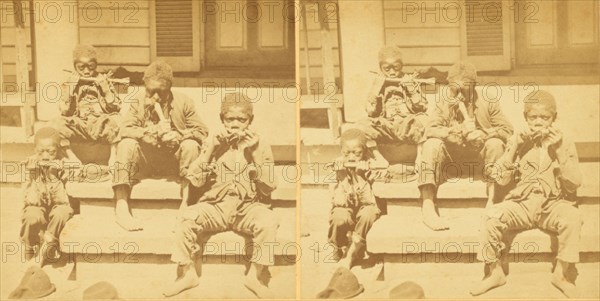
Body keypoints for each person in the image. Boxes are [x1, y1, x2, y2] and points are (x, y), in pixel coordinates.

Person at [164, 93, 279, 298]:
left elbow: (269, 187)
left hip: (246, 207)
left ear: (250, 121)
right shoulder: (213, 142)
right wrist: (211, 150)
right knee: (185, 218)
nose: (235, 125)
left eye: (241, 120)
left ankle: (255, 275)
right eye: (230, 119)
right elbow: (195, 179)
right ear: (222, 119)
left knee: (269, 221)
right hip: (216, 206)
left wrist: (253, 154)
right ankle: (187, 274)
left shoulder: (260, 145)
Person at [471, 90, 582, 298]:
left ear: (554, 118)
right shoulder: (518, 139)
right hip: (522, 204)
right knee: (490, 216)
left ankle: (561, 274)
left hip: (551, 204)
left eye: (545, 118)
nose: (538, 122)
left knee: (573, 217)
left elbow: (574, 183)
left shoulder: (564, 141)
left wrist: (558, 151)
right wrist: (514, 148)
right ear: (525, 117)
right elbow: (500, 178)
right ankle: (494, 273)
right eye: (533, 117)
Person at [111, 61, 208, 231]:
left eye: (161, 92)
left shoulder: (184, 102)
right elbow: (124, 129)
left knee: (191, 145)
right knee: (126, 144)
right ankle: (121, 206)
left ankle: (187, 203)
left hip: (174, 164)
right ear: (144, 85)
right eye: (151, 91)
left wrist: (180, 135)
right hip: (146, 162)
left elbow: (202, 131)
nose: (156, 97)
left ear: (170, 87)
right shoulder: (138, 102)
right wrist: (148, 133)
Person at [417, 61, 513, 230]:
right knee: (431, 145)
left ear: (474, 85)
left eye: (465, 89)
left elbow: (508, 130)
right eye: (455, 89)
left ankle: (493, 200)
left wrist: (485, 133)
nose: (460, 94)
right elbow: (430, 130)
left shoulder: (488, 102)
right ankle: (427, 205)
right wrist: (457, 131)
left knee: (496, 144)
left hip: (479, 161)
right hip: (451, 160)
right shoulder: (443, 102)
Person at [356, 46, 429, 166]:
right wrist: (376, 89)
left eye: (396, 68)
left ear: (401, 66)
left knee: (425, 120)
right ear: (380, 68)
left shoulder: (408, 80)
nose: (392, 72)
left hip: (407, 124)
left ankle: (420, 157)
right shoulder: (377, 82)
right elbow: (370, 111)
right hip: (386, 125)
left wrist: (411, 88)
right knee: (361, 125)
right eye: (387, 69)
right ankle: (378, 158)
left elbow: (422, 107)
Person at [50, 45, 121, 165]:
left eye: (91, 67)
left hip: (100, 121)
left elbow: (116, 108)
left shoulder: (102, 79)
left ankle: (113, 156)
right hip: (80, 122)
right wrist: (70, 88)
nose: (87, 71)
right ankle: (71, 157)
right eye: (81, 68)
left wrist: (106, 89)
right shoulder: (69, 81)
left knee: (118, 120)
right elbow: (64, 111)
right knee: (55, 124)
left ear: (96, 65)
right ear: (75, 66)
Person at [328, 129, 388, 268]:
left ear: (364, 151)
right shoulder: (337, 165)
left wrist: (361, 177)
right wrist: (342, 178)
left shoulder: (370, 164)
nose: (351, 157)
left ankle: (352, 253)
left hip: (365, 208)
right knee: (338, 216)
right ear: (341, 151)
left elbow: (369, 201)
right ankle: (339, 246)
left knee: (368, 213)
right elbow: (338, 202)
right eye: (346, 153)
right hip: (346, 207)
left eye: (357, 153)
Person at [20, 127, 74, 267]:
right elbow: (31, 201)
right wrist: (34, 175)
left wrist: (53, 176)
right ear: (34, 150)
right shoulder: (31, 164)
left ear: (58, 150)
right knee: (31, 215)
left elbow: (63, 201)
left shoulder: (63, 164)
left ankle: (45, 250)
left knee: (61, 213)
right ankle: (30, 249)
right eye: (40, 152)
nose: (45, 156)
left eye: (51, 152)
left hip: (57, 211)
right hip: (39, 208)